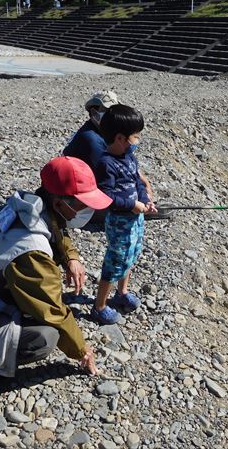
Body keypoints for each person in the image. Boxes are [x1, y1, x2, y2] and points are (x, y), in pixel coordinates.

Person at [0, 157, 112, 378]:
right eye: (83, 205)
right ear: (59, 203)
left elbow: (56, 229)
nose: (88, 210)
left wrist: (71, 257)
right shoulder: (31, 249)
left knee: (32, 301)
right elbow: (52, 310)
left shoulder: (27, 206)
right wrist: (80, 349)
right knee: (46, 337)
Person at [90, 105, 157, 325]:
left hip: (135, 219)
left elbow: (137, 182)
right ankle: (99, 306)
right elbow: (106, 196)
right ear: (120, 138)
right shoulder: (106, 163)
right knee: (115, 261)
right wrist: (131, 204)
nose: (137, 141)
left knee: (131, 255)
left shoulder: (129, 158)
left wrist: (145, 201)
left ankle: (122, 293)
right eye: (135, 137)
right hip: (120, 222)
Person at [62, 91, 154, 202]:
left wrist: (144, 183)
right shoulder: (92, 141)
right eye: (107, 111)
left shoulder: (103, 131)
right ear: (94, 113)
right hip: (72, 196)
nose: (113, 115)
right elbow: (111, 174)